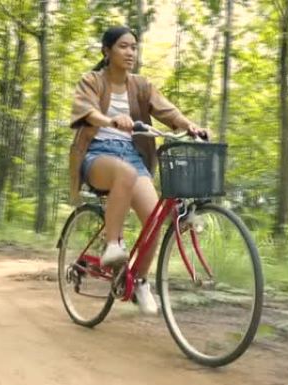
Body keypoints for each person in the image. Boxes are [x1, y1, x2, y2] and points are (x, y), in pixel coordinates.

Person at [69, 26, 205, 315]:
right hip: (96, 156)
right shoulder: (92, 81)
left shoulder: (141, 85)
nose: (130, 52)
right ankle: (112, 245)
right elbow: (86, 112)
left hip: (131, 155)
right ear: (107, 51)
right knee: (125, 174)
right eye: (123, 46)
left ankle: (139, 280)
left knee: (155, 219)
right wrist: (110, 120)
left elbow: (167, 110)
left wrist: (188, 125)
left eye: (133, 47)